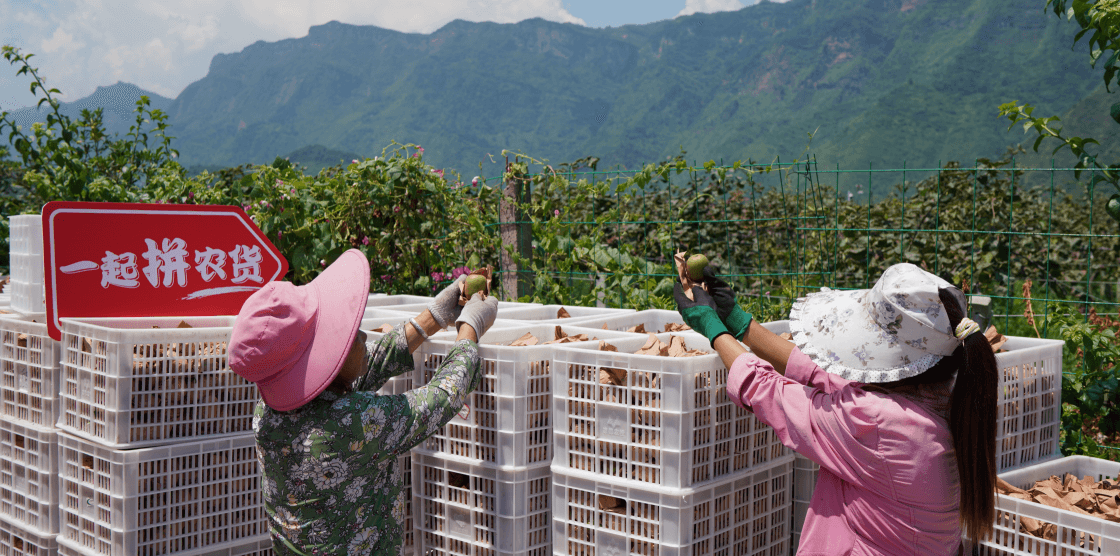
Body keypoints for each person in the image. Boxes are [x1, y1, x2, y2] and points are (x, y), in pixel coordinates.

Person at [674, 263, 997, 556]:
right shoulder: (946, 396)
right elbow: (826, 376)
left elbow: (770, 393)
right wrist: (739, 322)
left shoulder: (879, 424)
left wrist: (713, 329)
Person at [227, 248, 499, 555]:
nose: (362, 337)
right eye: (346, 335)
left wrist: (433, 317)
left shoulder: (269, 411)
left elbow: (355, 370)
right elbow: (441, 397)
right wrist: (470, 328)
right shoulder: (353, 423)